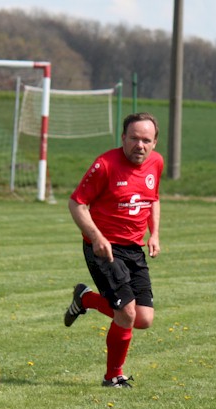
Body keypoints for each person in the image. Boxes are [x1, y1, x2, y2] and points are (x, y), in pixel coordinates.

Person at [64, 112, 163, 389]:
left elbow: (153, 199)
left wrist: (154, 233)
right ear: (123, 138)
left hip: (134, 248)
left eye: (146, 140)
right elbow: (76, 204)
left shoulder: (156, 163)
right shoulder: (105, 165)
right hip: (103, 249)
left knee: (143, 319)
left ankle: (85, 299)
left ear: (154, 142)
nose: (139, 145)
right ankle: (113, 377)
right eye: (134, 138)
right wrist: (96, 237)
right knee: (127, 313)